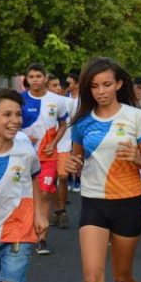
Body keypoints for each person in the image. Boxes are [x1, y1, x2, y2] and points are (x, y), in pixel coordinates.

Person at [65, 57, 141, 282]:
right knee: (92, 279)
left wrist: (138, 159)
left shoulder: (136, 117)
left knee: (121, 278)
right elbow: (75, 162)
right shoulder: (81, 122)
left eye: (107, 84)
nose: (101, 91)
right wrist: (70, 166)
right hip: (93, 202)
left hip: (127, 202)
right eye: (94, 86)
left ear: (119, 84)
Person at [0, 88, 48, 282]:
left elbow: (35, 177)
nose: (15, 120)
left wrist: (39, 213)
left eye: (17, 114)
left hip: (17, 229)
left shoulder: (25, 146)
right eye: (7, 115)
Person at [20, 64, 68, 255]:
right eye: (31, 76)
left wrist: (54, 142)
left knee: (45, 193)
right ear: (27, 79)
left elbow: (63, 125)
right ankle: (26, 231)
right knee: (26, 195)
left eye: (38, 76)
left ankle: (42, 238)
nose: (35, 80)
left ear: (45, 78)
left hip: (48, 156)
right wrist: (22, 136)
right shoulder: (20, 100)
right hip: (24, 155)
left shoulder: (57, 100)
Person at [46, 75, 76, 229]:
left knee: (63, 176)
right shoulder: (44, 102)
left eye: (59, 85)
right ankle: (54, 210)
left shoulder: (68, 102)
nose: (57, 88)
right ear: (47, 87)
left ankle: (62, 210)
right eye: (53, 85)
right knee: (50, 180)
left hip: (64, 145)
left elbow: (74, 123)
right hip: (48, 147)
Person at [65, 73, 82, 193]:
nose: (67, 85)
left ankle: (79, 179)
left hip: (80, 129)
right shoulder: (65, 97)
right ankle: (70, 177)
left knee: (80, 155)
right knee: (69, 154)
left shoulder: (83, 98)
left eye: (69, 83)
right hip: (67, 131)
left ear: (77, 84)